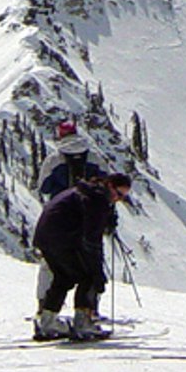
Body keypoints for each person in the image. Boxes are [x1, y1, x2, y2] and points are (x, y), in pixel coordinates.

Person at [33, 171, 133, 341]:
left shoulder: (87, 191)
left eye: (123, 197)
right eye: (119, 194)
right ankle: (83, 322)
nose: (119, 199)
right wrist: (97, 272)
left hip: (45, 237)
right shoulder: (97, 199)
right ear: (109, 185)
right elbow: (91, 239)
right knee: (88, 276)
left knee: (64, 276)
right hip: (63, 238)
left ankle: (47, 321)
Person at [38, 120, 104, 200]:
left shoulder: (53, 159)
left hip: (61, 207)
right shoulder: (94, 157)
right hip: (89, 207)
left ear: (60, 135)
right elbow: (106, 182)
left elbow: (44, 188)